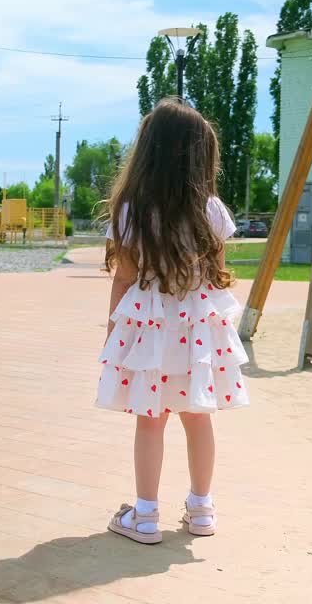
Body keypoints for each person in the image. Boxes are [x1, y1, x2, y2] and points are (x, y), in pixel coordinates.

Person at [95, 97, 249, 545]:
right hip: (198, 331)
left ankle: (144, 517)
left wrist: (111, 335)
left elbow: (124, 278)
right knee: (198, 417)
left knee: (151, 418)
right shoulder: (212, 210)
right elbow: (218, 278)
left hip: (148, 330)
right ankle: (201, 509)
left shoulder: (130, 210)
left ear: (148, 151)